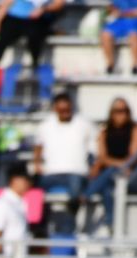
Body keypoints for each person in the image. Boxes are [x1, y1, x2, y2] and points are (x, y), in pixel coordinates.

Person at [32, 90, 94, 236]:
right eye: (61, 110)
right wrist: (36, 163)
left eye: (67, 109)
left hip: (76, 172)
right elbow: (38, 145)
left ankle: (70, 227)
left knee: (75, 194)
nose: (65, 112)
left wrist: (93, 168)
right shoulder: (45, 126)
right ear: (55, 109)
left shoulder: (84, 124)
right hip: (51, 172)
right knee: (34, 193)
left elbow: (94, 150)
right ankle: (38, 227)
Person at [88, 96, 137, 233]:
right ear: (111, 113)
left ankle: (86, 194)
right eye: (117, 111)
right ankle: (111, 223)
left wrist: (117, 164)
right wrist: (119, 164)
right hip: (111, 177)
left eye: (124, 110)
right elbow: (102, 157)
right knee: (108, 188)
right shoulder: (105, 131)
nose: (121, 114)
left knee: (111, 173)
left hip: (131, 175)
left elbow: (133, 157)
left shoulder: (135, 130)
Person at [0, 0, 65, 73]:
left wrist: (43, 9)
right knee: (3, 38)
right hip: (14, 19)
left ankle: (35, 65)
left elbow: (58, 4)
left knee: (34, 36)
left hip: (37, 19)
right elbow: (6, 4)